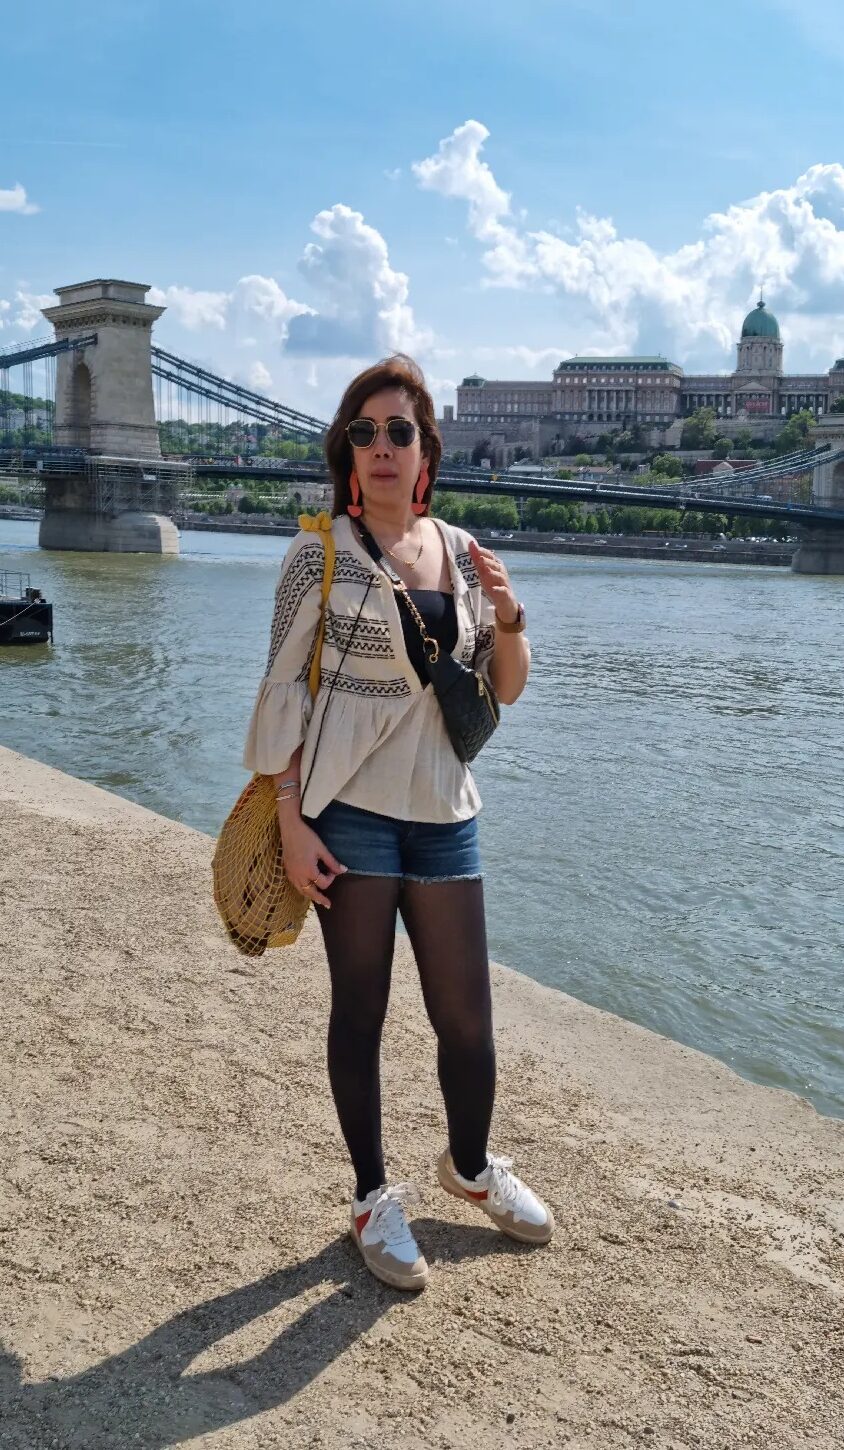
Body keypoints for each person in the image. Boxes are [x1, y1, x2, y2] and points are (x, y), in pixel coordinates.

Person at [243, 355, 554, 1292]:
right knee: (362, 1013)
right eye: (366, 433)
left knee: (467, 1020)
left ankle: (468, 1166)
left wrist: (508, 617)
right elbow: (280, 702)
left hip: (445, 815)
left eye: (400, 432)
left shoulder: (461, 552)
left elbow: (499, 693)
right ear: (349, 451)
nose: (383, 448)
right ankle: (373, 1199)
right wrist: (292, 822)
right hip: (353, 818)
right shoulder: (318, 555)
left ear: (426, 451)